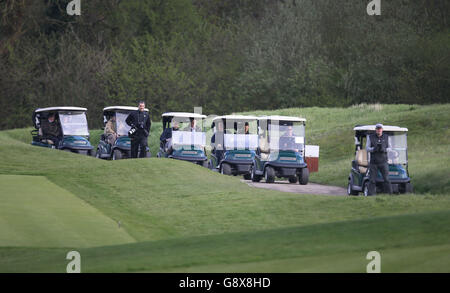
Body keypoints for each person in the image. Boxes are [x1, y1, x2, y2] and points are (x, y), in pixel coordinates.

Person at [366, 123, 393, 195]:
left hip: (383, 162)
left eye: (380, 129)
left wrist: (384, 149)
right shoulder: (370, 137)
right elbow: (367, 148)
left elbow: (390, 148)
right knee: (372, 180)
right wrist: (373, 149)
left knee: (386, 179)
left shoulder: (386, 137)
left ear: (382, 130)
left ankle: (390, 195)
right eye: (377, 129)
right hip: (373, 162)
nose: (378, 130)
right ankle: (370, 195)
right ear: (375, 130)